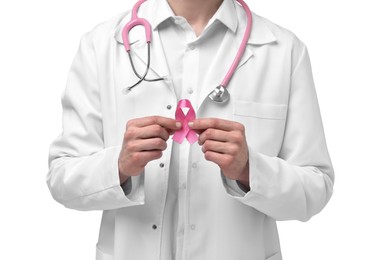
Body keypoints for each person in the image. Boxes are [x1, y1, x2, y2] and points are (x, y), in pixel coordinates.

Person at [47, 0, 334, 259]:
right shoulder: (101, 45)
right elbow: (62, 178)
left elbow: (316, 187)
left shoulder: (283, 50)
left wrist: (250, 170)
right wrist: (118, 167)